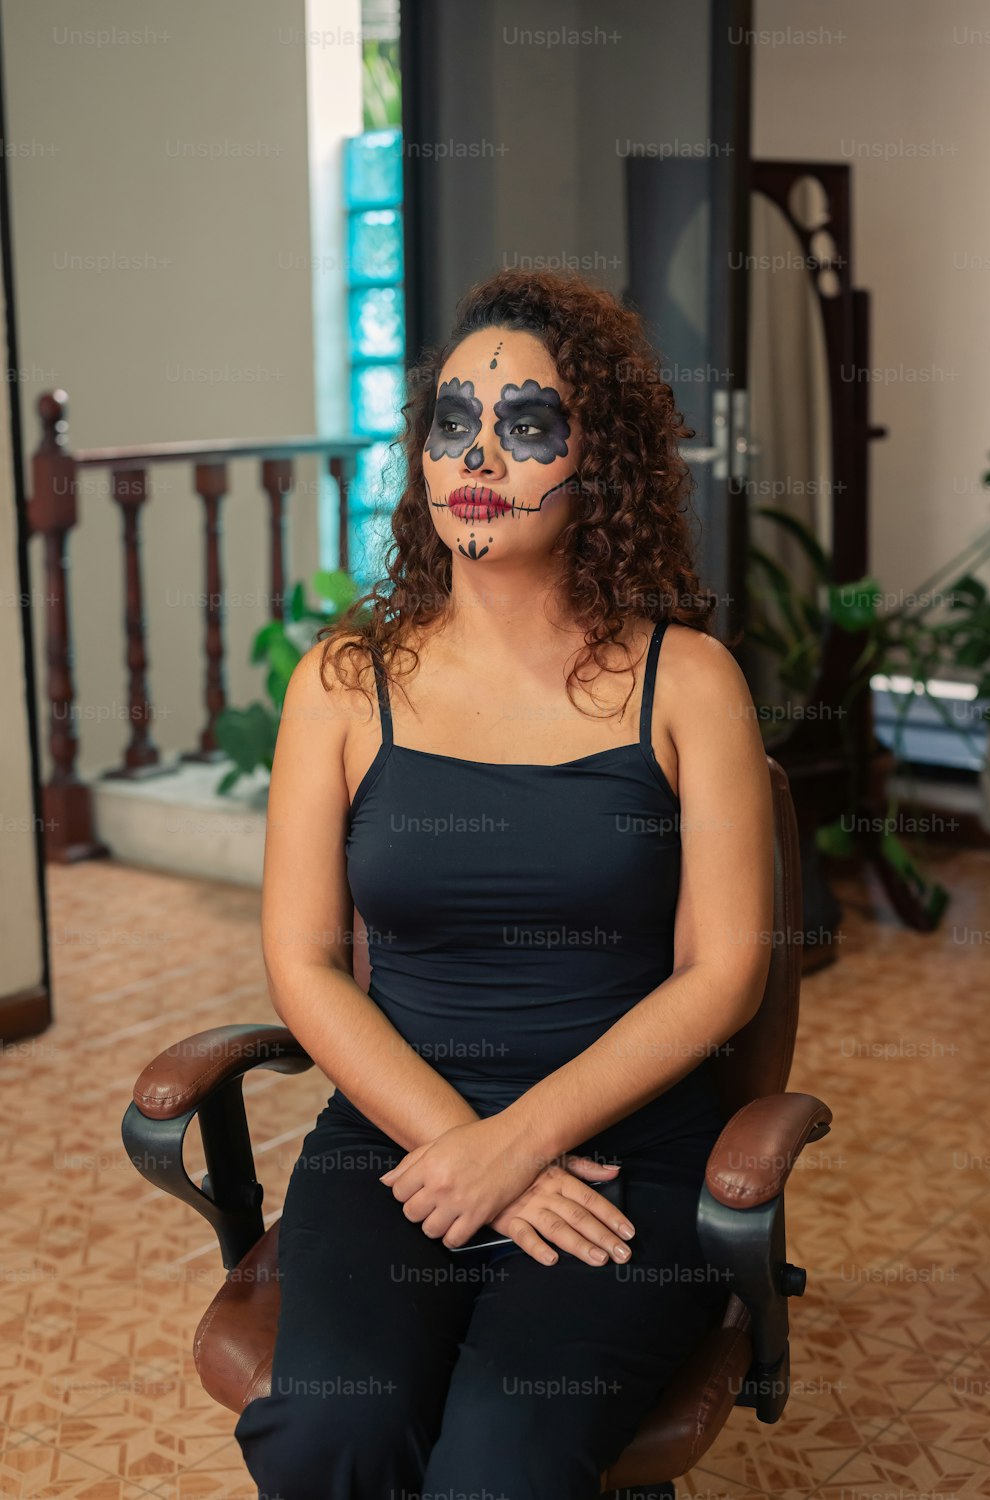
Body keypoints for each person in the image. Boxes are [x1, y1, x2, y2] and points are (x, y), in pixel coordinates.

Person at [234, 267, 774, 1499]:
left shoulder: (689, 683)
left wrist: (519, 1147)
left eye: (527, 424)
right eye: (450, 424)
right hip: (397, 1140)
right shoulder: (339, 682)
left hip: (621, 1162)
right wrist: (464, 1147)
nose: (477, 453)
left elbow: (725, 971)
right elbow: (303, 961)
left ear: (605, 465)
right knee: (335, 1433)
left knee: (503, 1461)